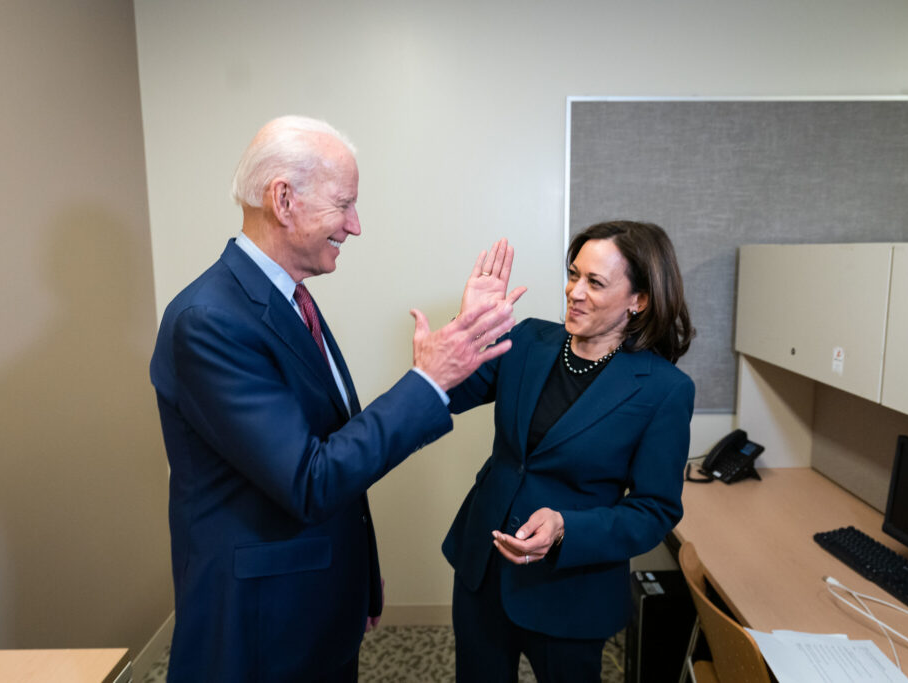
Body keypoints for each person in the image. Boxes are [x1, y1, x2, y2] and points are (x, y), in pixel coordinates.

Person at [149, 115, 521, 683]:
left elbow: (329, 444)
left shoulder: (289, 297)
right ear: (284, 200)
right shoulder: (210, 321)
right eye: (344, 204)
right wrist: (426, 381)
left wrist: (358, 579)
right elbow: (310, 478)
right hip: (259, 625)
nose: (356, 225)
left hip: (316, 600)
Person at [443, 220, 696, 682]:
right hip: (483, 571)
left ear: (639, 300)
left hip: (570, 591)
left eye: (595, 282)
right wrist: (467, 329)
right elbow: (447, 397)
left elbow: (654, 510)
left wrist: (566, 528)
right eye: (573, 274)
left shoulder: (663, 389)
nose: (574, 291)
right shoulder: (526, 342)